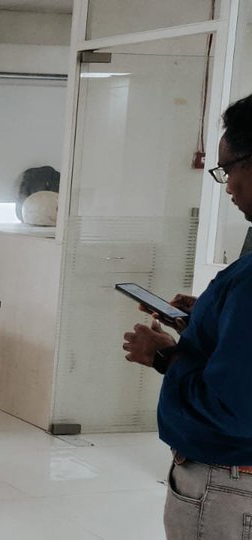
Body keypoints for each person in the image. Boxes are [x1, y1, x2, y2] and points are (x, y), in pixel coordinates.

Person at [122, 93, 252, 539]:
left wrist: (163, 356)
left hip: (229, 485)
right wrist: (205, 320)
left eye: (229, 168)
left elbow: (233, 405)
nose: (228, 185)